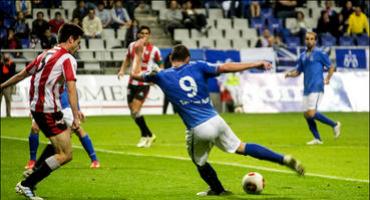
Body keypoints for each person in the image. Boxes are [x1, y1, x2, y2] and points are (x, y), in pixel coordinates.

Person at [131, 39, 305, 196]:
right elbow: (226, 67)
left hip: (198, 128)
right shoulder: (198, 65)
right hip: (216, 120)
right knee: (241, 147)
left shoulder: (161, 76)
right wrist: (255, 63)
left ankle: (218, 190)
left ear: (170, 59)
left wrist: (138, 54)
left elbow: (135, 74)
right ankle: (282, 159)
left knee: (199, 162)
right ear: (188, 58)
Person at [0, 23, 84, 200]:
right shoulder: (68, 58)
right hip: (49, 110)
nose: (78, 46)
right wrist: (76, 115)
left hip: (37, 108)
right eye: (78, 42)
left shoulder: (45, 54)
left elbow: (23, 73)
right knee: (66, 154)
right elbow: (71, 88)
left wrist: (2, 85)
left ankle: (33, 171)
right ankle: (27, 184)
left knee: (61, 140)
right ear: (71, 39)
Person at [285, 32, 341, 145]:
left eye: (311, 39)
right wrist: (290, 74)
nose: (309, 41)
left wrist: (327, 79)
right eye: (307, 39)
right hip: (307, 88)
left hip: (317, 86)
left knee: (311, 113)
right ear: (304, 41)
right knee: (306, 114)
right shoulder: (302, 56)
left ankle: (335, 125)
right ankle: (317, 139)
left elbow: (331, 67)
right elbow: (298, 71)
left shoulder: (320, 53)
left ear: (315, 41)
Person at [25, 88, 100, 170]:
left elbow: (72, 90)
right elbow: (34, 90)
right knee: (34, 127)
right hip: (45, 107)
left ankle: (94, 160)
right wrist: (32, 108)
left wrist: (77, 109)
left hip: (63, 106)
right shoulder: (39, 76)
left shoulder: (63, 75)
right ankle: (32, 160)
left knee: (78, 129)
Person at [118, 26, 163, 148]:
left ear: (149, 35)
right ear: (138, 35)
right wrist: (122, 70)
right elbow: (127, 58)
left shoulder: (154, 50)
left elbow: (160, 65)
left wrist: (157, 77)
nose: (144, 35)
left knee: (135, 110)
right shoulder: (132, 46)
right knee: (133, 113)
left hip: (144, 83)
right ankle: (149, 134)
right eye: (142, 33)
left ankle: (144, 136)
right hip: (132, 82)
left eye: (146, 33)